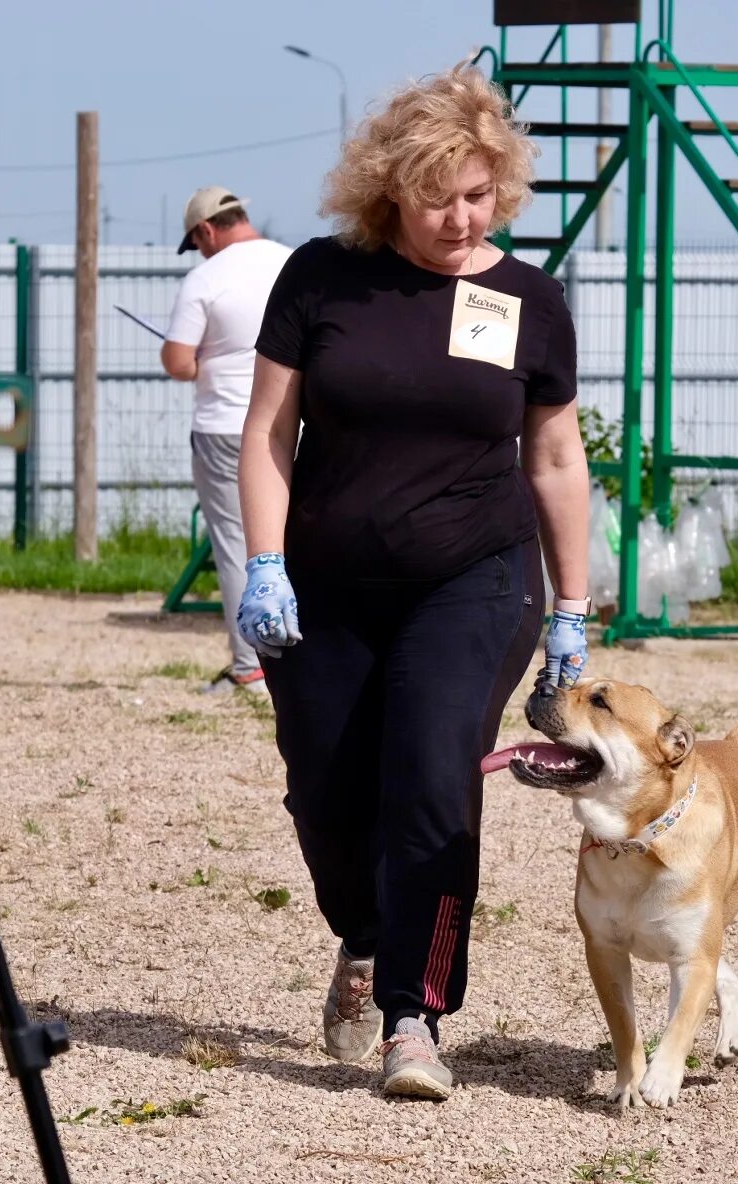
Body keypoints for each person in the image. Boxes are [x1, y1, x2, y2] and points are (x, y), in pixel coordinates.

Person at [235, 65, 592, 1100]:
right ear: (390, 186)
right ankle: (363, 930)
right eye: (438, 194)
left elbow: (557, 459)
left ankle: (414, 1012)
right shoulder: (321, 277)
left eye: (478, 194)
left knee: (433, 775)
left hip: (474, 576)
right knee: (327, 784)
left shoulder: (526, 300)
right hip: (325, 577)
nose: (458, 215)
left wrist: (572, 607)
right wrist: (264, 562)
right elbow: (268, 431)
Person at [161, 186, 294, 695]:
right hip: (295, 422)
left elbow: (177, 360)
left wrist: (199, 363)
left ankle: (252, 666)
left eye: (197, 242)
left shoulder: (206, 277)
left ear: (205, 230)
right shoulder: (291, 264)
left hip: (225, 427)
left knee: (240, 544)